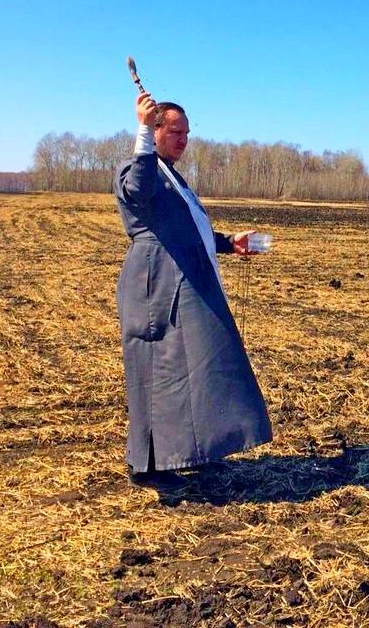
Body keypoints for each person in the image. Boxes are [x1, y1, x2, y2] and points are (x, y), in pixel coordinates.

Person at [113, 93, 272, 489]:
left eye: (187, 133)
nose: (183, 139)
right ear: (154, 131)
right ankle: (146, 467)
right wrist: (142, 132)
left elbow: (185, 231)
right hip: (156, 287)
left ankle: (195, 452)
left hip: (181, 278)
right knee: (157, 372)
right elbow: (139, 188)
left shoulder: (171, 175)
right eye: (174, 131)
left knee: (195, 367)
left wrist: (226, 241)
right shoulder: (138, 168)